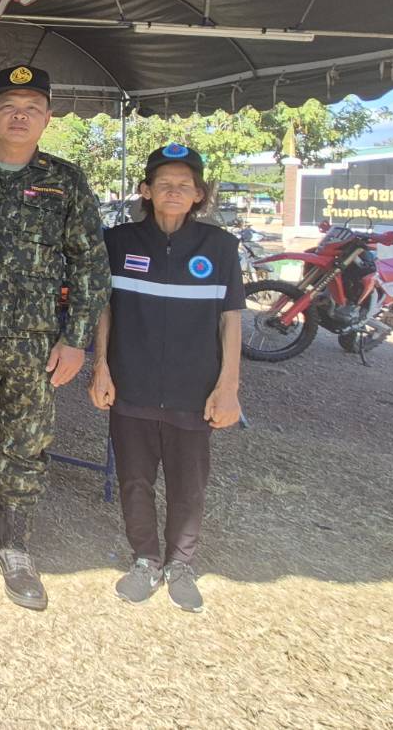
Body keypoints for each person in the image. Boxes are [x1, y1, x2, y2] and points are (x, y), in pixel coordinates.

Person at [0, 64, 109, 611]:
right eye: (9, 105)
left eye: (32, 107)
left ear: (47, 117)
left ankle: (15, 547)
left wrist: (77, 340)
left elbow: (90, 264)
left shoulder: (66, 180)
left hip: (38, 343)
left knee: (27, 444)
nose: (19, 115)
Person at [91, 144, 243, 613]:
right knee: (135, 479)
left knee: (187, 482)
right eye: (163, 184)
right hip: (130, 385)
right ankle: (144, 560)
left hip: (194, 390)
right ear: (145, 190)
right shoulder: (118, 242)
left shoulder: (219, 247)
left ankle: (180, 564)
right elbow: (105, 310)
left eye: (185, 185)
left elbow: (231, 320)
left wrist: (228, 387)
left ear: (199, 194)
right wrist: (101, 367)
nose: (174, 191)